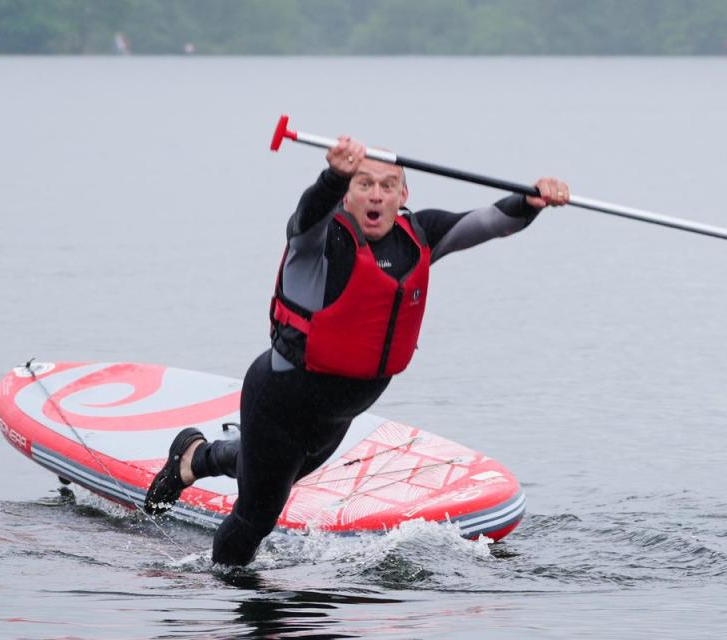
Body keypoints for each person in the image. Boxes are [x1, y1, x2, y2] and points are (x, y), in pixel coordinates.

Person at [145, 135, 570, 565]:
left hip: (334, 420)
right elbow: (306, 215)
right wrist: (333, 176)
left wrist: (533, 200)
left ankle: (193, 458)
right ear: (347, 193)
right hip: (279, 401)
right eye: (363, 183)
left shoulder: (418, 237)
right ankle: (230, 596)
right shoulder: (319, 241)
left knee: (270, 471)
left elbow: (490, 221)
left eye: (387, 186)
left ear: (403, 195)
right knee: (256, 516)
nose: (376, 195)